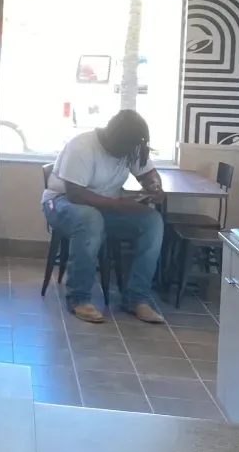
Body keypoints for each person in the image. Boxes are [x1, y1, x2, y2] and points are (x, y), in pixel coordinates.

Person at [43, 110, 166, 324]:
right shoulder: (82, 146)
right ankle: (78, 299)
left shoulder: (131, 146)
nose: (125, 155)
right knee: (90, 219)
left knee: (152, 222)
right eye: (122, 150)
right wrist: (119, 205)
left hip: (104, 207)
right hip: (61, 202)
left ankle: (136, 299)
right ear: (111, 137)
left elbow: (148, 173)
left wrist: (154, 186)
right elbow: (76, 194)